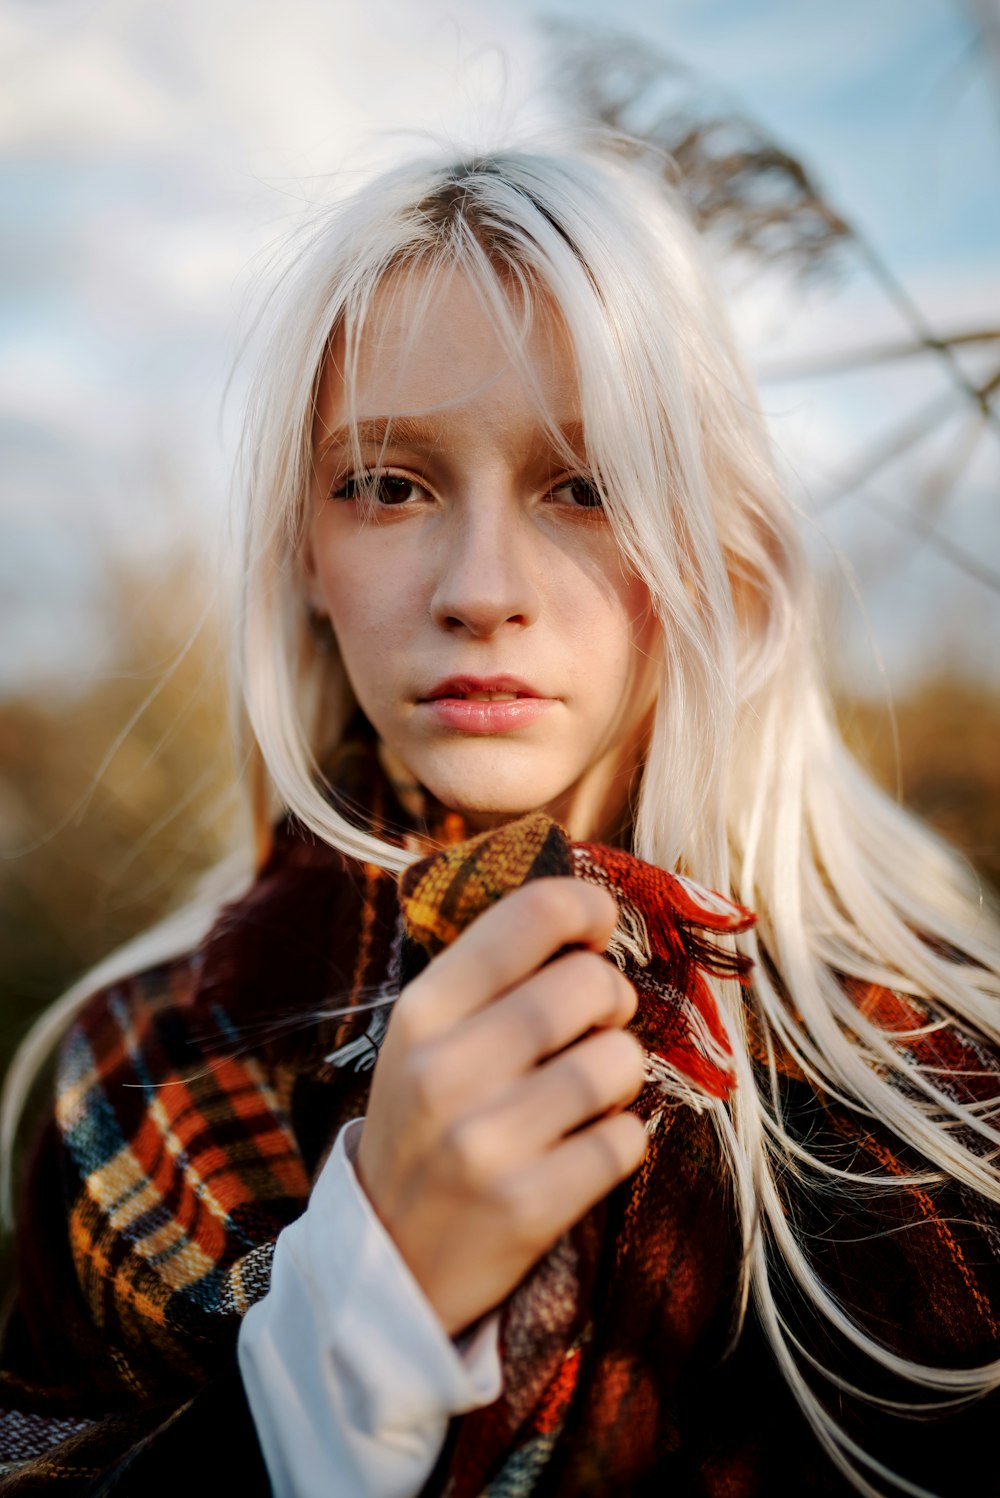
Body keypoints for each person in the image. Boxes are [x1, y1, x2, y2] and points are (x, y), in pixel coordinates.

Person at [1, 130, 999, 1498]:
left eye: (584, 485)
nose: (481, 586)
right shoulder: (131, 1074)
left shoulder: (941, 1078)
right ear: (304, 544)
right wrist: (358, 1321)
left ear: (710, 541)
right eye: (390, 484)